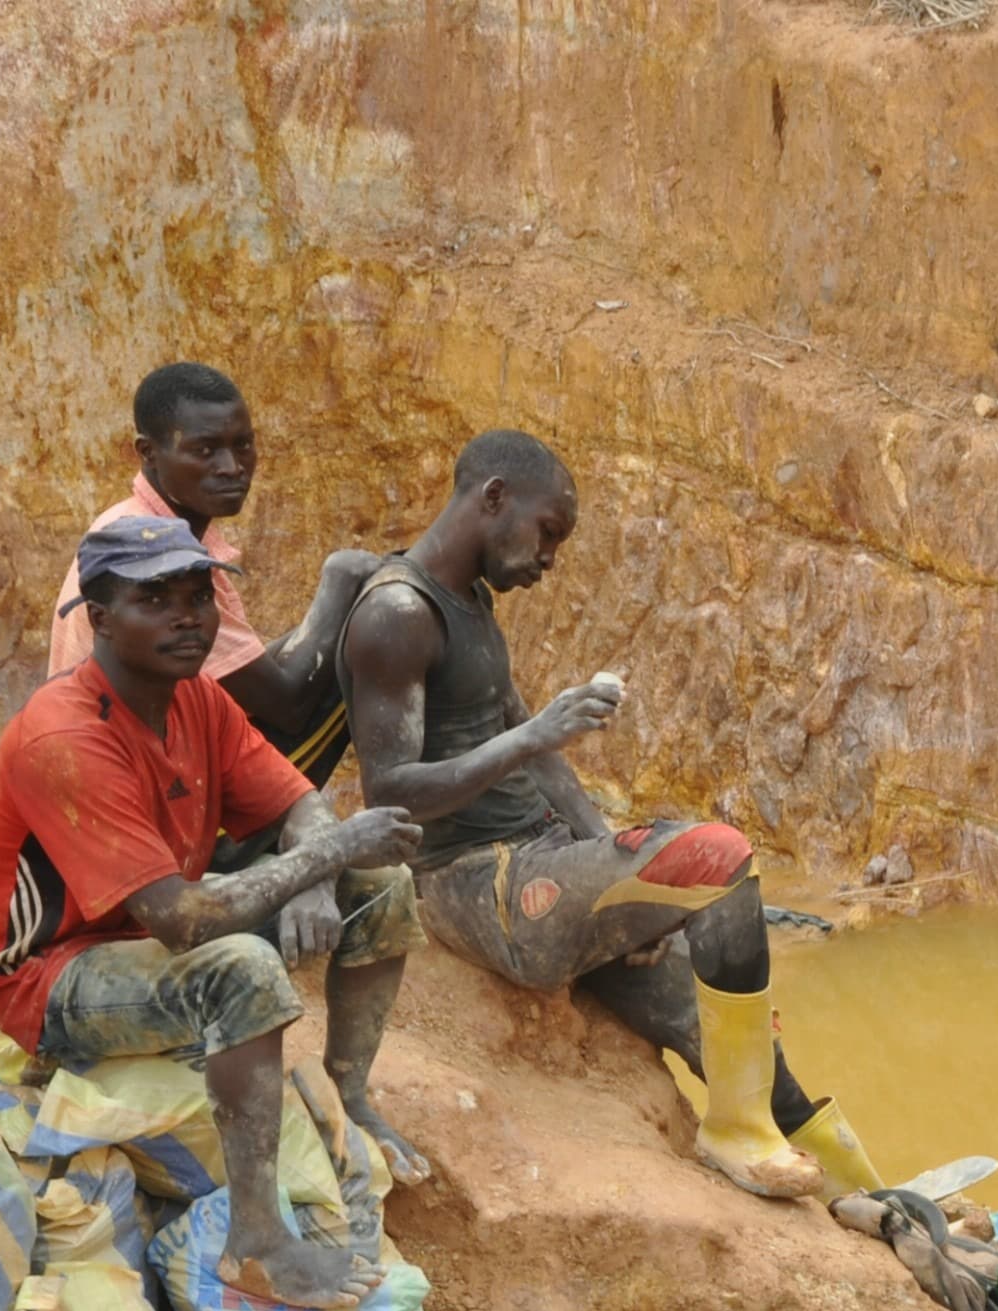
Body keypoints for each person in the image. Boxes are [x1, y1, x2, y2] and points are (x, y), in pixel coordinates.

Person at [341, 429, 877, 1200]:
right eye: (547, 532)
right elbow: (391, 794)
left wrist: (623, 888)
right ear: (494, 498)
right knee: (715, 856)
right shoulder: (398, 612)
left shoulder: (470, 603)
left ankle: (875, 1202)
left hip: (545, 856)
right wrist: (535, 733)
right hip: (475, 882)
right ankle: (732, 1134)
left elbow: (538, 755)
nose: (550, 558)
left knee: (742, 1045)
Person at [0, 515, 425, 1308]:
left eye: (198, 594)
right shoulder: (64, 734)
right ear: (100, 621)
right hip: (54, 975)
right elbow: (181, 922)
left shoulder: (196, 701)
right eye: (156, 599)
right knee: (240, 969)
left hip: (145, 930)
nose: (189, 616)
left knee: (379, 879)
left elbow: (297, 802)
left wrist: (318, 872)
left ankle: (349, 1093)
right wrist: (317, 858)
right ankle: (254, 1244)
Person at [47, 362, 379, 797]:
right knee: (366, 644)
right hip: (137, 788)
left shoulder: (140, 523)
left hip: (144, 760)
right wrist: (340, 583)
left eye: (243, 446)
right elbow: (287, 705)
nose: (232, 467)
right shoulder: (155, 554)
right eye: (205, 451)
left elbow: (248, 675)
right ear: (148, 453)